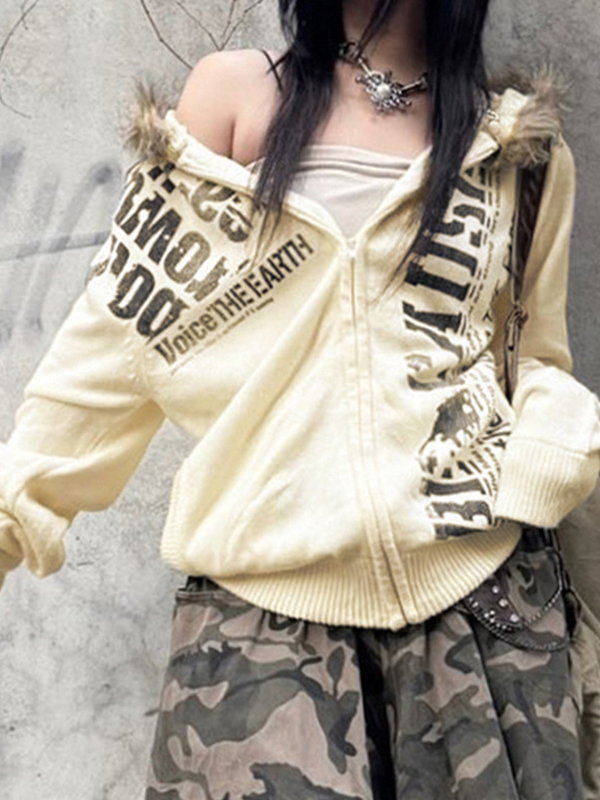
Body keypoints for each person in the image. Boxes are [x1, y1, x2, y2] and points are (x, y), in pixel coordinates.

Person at [2, 0, 600, 797]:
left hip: (484, 611)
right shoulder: (236, 97)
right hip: (256, 639)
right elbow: (116, 342)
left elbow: (535, 357)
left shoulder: (516, 144)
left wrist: (555, 446)